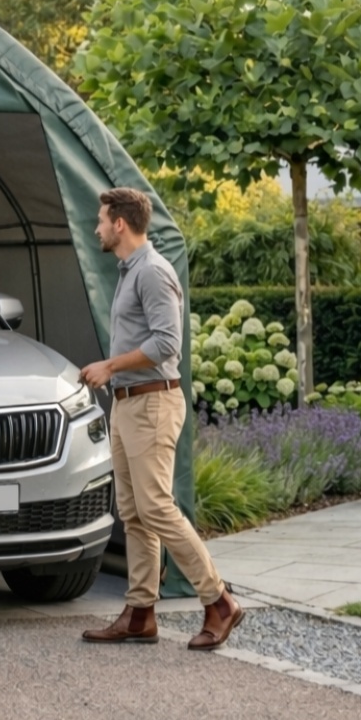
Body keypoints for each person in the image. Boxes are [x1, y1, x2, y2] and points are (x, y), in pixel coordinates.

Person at [79, 187, 242, 650]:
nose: (97, 228)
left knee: (155, 507)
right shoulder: (130, 271)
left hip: (152, 403)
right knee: (133, 513)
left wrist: (110, 366)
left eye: (101, 220)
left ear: (120, 224)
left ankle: (219, 601)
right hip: (128, 404)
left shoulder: (152, 271)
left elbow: (168, 342)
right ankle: (139, 614)